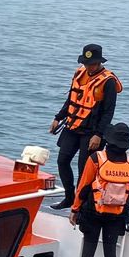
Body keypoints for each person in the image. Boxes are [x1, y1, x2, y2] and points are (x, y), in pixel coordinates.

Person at [50, 44, 122, 210]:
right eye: (86, 63)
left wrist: (98, 135)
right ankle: (69, 197)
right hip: (73, 126)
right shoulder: (79, 74)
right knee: (62, 160)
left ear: (99, 63)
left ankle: (81, 205)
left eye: (92, 64)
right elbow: (71, 99)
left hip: (92, 132)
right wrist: (58, 118)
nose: (89, 67)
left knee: (85, 170)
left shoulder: (108, 81)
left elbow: (109, 111)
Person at [71, 121, 129, 257]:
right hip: (118, 213)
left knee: (88, 250)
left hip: (93, 211)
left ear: (109, 140)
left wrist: (75, 210)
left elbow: (83, 186)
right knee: (110, 252)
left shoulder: (96, 158)